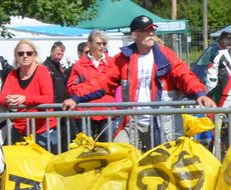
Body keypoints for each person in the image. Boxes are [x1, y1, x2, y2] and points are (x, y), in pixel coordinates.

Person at [63, 15, 216, 151]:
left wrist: (199, 93)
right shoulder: (122, 59)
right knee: (119, 156)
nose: (151, 33)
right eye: (146, 30)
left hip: (163, 123)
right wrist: (76, 98)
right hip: (132, 122)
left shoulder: (165, 55)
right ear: (135, 35)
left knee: (163, 165)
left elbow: (184, 75)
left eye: (152, 30)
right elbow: (101, 83)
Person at [0, 40, 58, 150]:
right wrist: (8, 100)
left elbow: (48, 98)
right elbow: (1, 98)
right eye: (21, 53)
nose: (25, 56)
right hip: (20, 129)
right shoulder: (12, 74)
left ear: (34, 55)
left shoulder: (42, 72)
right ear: (16, 56)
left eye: (29, 53)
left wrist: (24, 99)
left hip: (43, 130)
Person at [67, 30, 116, 142]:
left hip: (107, 111)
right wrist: (92, 86)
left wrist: (86, 87)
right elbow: (71, 89)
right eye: (98, 44)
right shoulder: (79, 66)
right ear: (89, 44)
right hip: (85, 112)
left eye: (104, 44)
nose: (102, 47)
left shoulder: (111, 62)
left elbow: (114, 86)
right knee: (86, 148)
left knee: (107, 148)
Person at [42, 41, 69, 148]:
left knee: (62, 137)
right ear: (52, 52)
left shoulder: (59, 68)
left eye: (62, 54)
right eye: (58, 54)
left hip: (62, 108)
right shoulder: (46, 68)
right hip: (53, 109)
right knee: (53, 140)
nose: (60, 57)